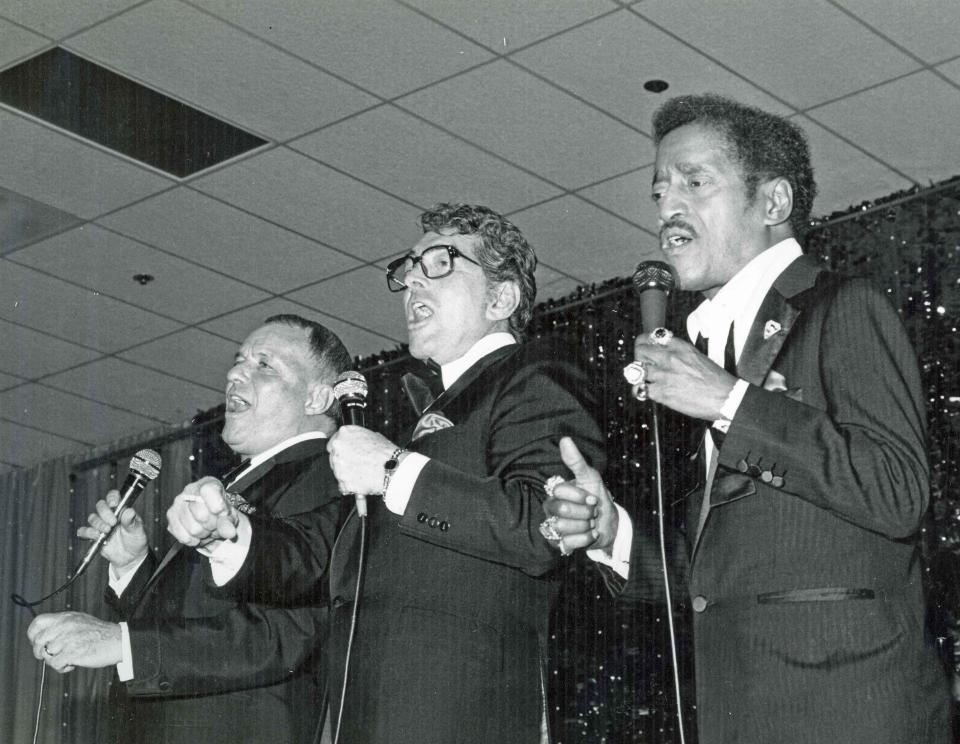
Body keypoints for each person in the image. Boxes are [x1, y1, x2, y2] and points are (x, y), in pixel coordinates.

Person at [541, 95, 951, 743]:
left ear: (773, 203)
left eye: (694, 182)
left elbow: (897, 492)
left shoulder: (841, 308)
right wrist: (608, 531)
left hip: (846, 713)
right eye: (659, 192)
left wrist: (731, 403)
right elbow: (717, 574)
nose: (667, 208)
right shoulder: (711, 355)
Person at [164, 203, 606, 744]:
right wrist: (229, 531)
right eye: (410, 268)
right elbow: (319, 546)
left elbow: (542, 523)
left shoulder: (534, 376)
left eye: (440, 262)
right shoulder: (419, 427)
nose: (413, 279)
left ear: (501, 297)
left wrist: (395, 469)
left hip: (459, 716)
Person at [27, 314, 352, 744]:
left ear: (317, 397)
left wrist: (120, 642)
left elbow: (283, 634)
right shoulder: (250, 480)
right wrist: (133, 566)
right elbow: (202, 616)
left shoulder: (328, 471)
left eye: (264, 364)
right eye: (238, 361)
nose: (235, 373)